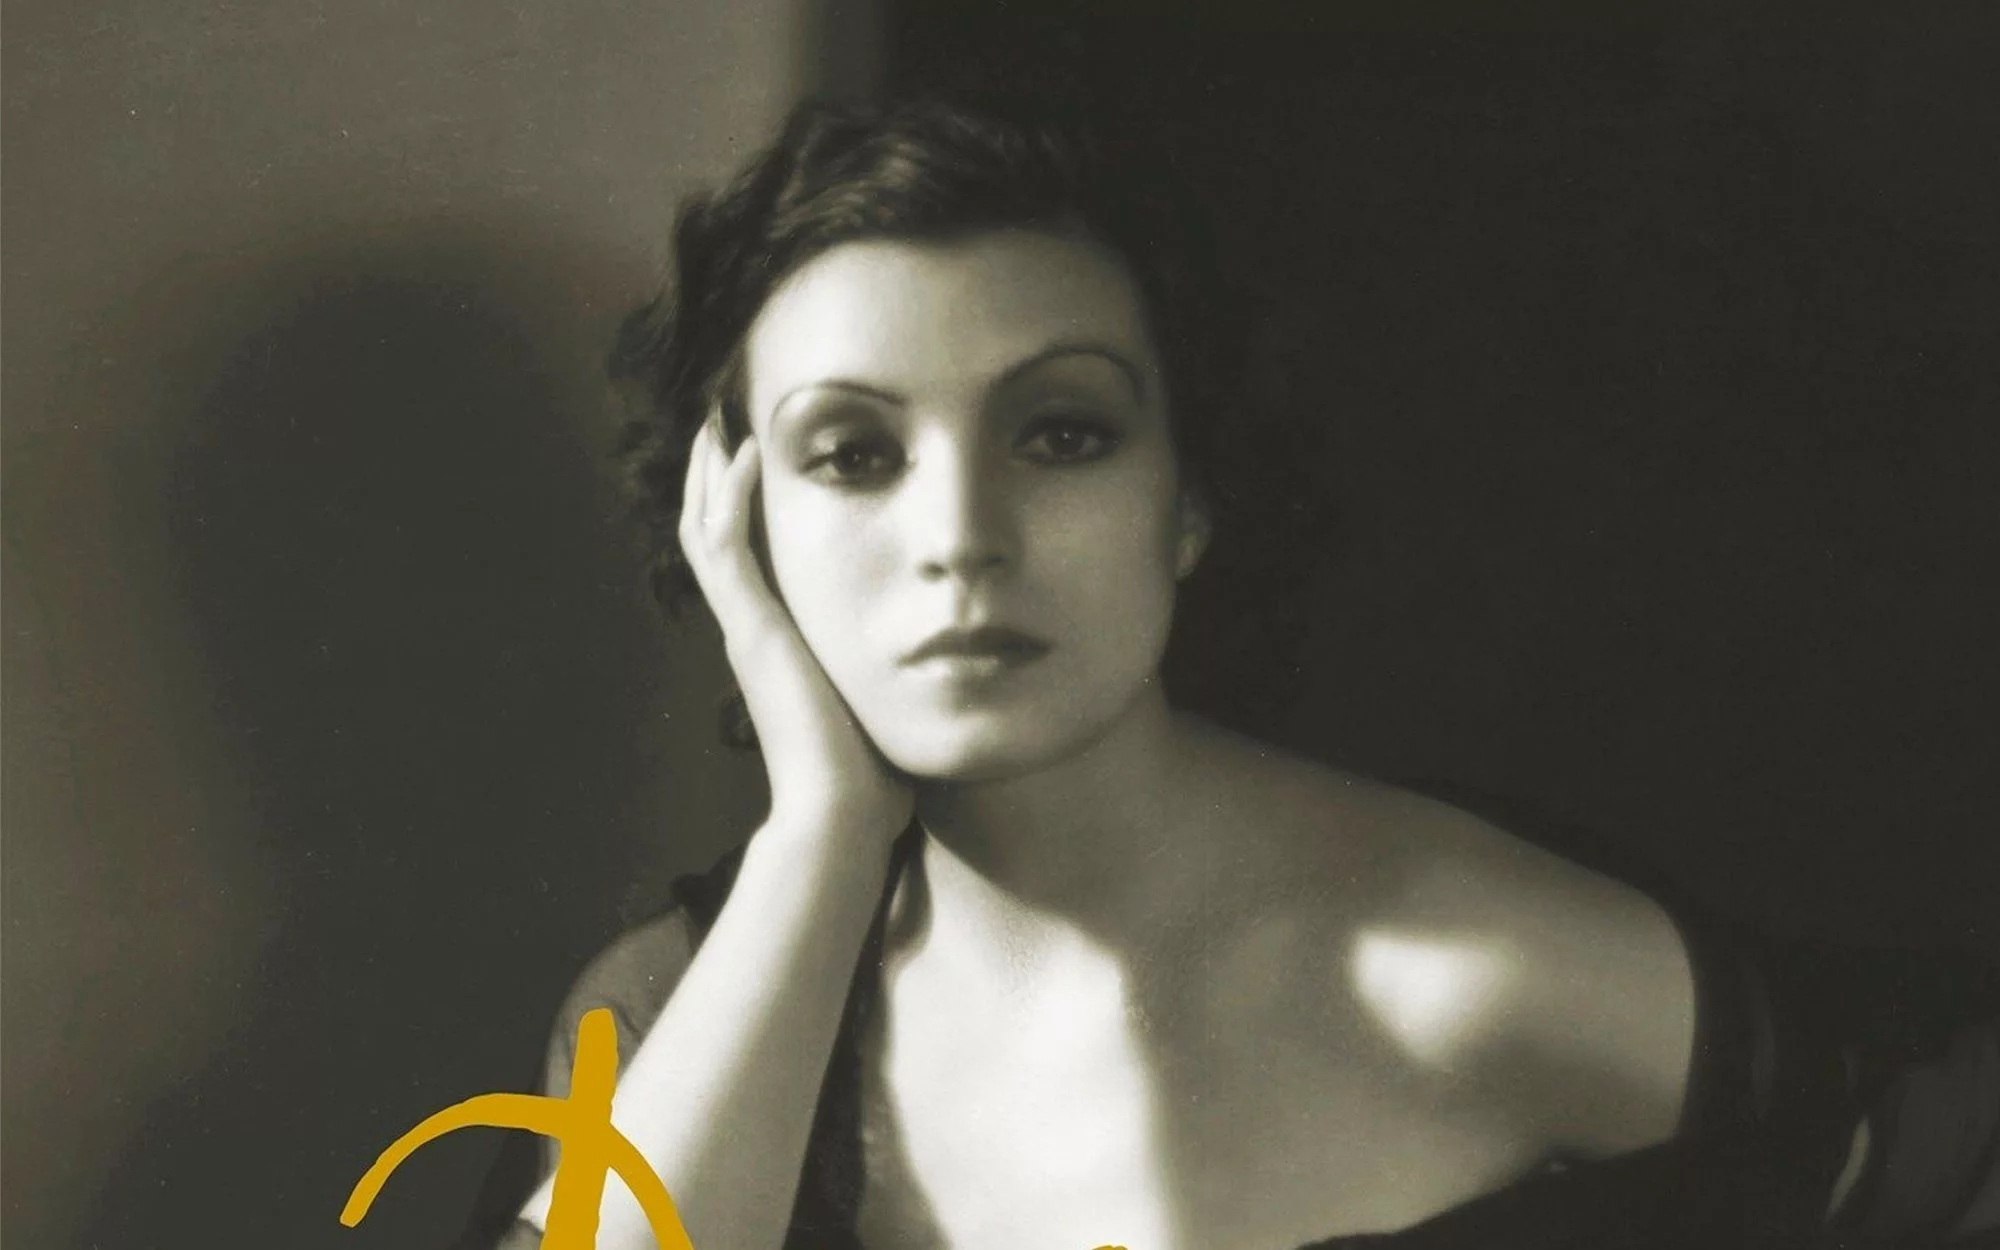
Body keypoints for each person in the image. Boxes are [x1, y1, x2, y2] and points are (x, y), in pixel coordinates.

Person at [462, 98, 2000, 1250]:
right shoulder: (677, 997)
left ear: (1188, 497)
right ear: (737, 525)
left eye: (1062, 433)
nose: (961, 537)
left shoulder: (1463, 966)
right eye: (854, 454)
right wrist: (822, 836)